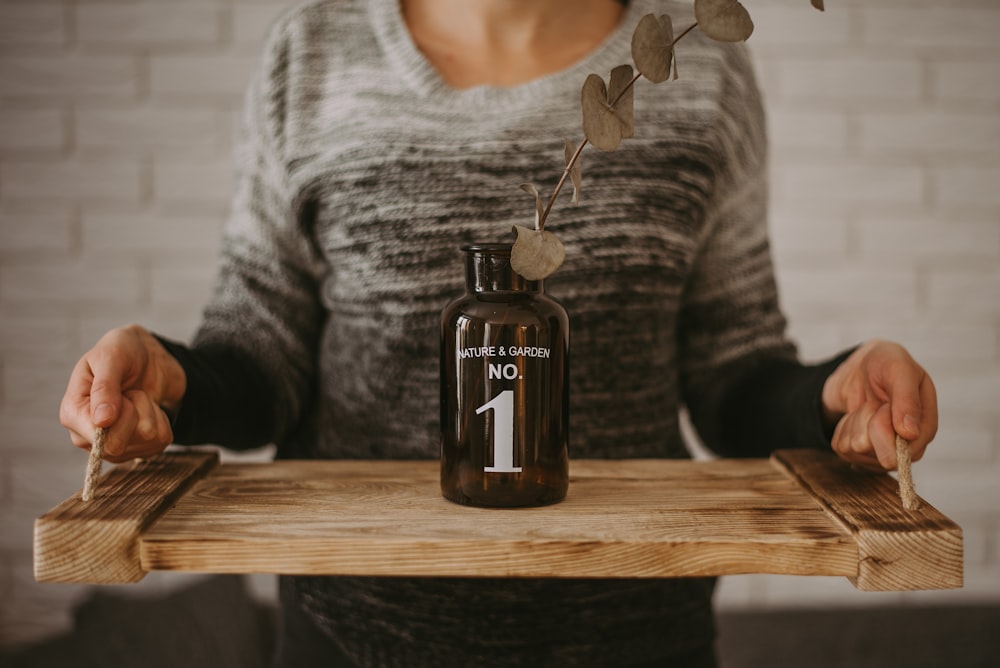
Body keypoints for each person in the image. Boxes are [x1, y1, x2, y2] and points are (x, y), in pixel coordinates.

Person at [59, 0, 938, 665]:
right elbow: (261, 359)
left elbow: (734, 372)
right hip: (352, 630)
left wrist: (830, 397)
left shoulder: (699, 70)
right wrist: (167, 378)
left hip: (636, 635)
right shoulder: (314, 51)